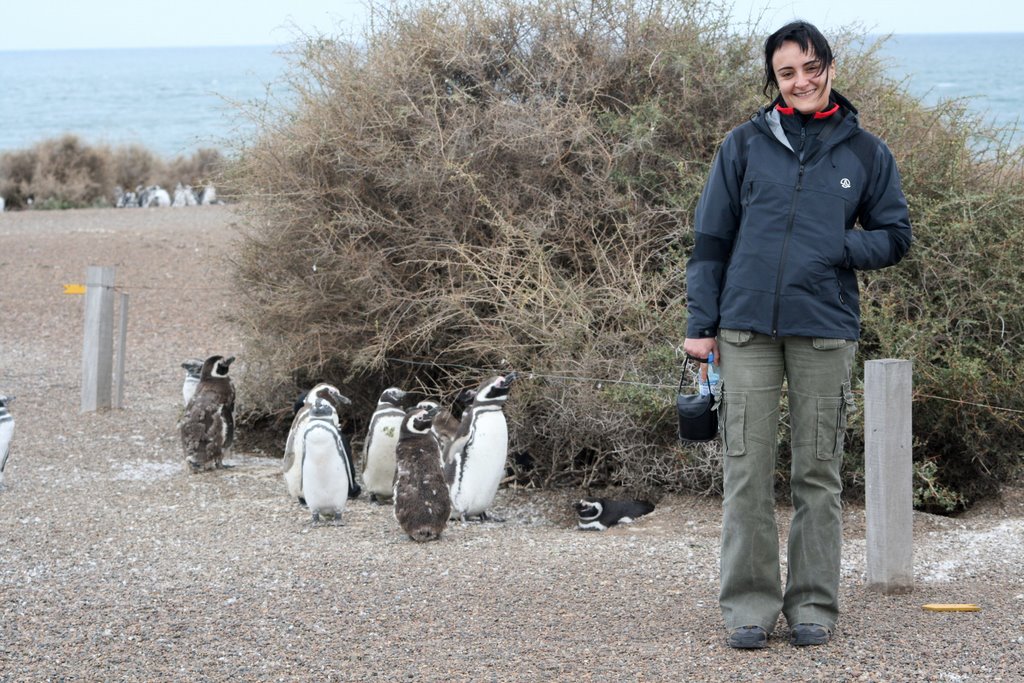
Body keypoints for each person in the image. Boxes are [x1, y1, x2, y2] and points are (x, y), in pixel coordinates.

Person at [683, 20, 912, 649]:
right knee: (746, 473)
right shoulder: (742, 145)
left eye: (811, 68)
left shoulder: (867, 152)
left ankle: (813, 606)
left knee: (818, 474)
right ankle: (749, 609)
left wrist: (837, 245)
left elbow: (895, 236)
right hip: (744, 330)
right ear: (774, 79)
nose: (801, 81)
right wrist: (699, 326)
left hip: (824, 330)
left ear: (830, 67)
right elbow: (710, 242)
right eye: (787, 73)